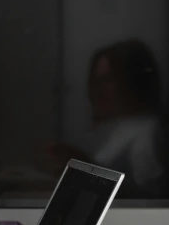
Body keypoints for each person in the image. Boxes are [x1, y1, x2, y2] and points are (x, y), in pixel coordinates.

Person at [49, 38, 167, 198]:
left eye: (107, 80)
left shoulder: (148, 132)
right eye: (96, 80)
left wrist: (87, 169)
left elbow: (152, 202)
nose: (98, 91)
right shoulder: (126, 127)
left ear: (133, 80)